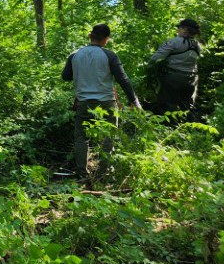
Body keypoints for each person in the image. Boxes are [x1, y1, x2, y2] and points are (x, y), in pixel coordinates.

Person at [62, 24, 141, 179]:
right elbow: (123, 79)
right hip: (106, 102)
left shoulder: (75, 55)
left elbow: (66, 76)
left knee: (81, 138)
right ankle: (103, 173)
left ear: (90, 36)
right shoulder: (110, 55)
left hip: (84, 102)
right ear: (105, 39)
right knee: (109, 135)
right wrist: (134, 101)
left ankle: (82, 174)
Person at [149, 18, 201, 117]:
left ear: (185, 29)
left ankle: (169, 128)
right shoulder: (197, 45)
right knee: (186, 107)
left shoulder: (174, 42)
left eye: (179, 28)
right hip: (191, 79)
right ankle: (186, 127)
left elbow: (155, 58)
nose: (178, 30)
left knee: (168, 105)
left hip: (173, 78)